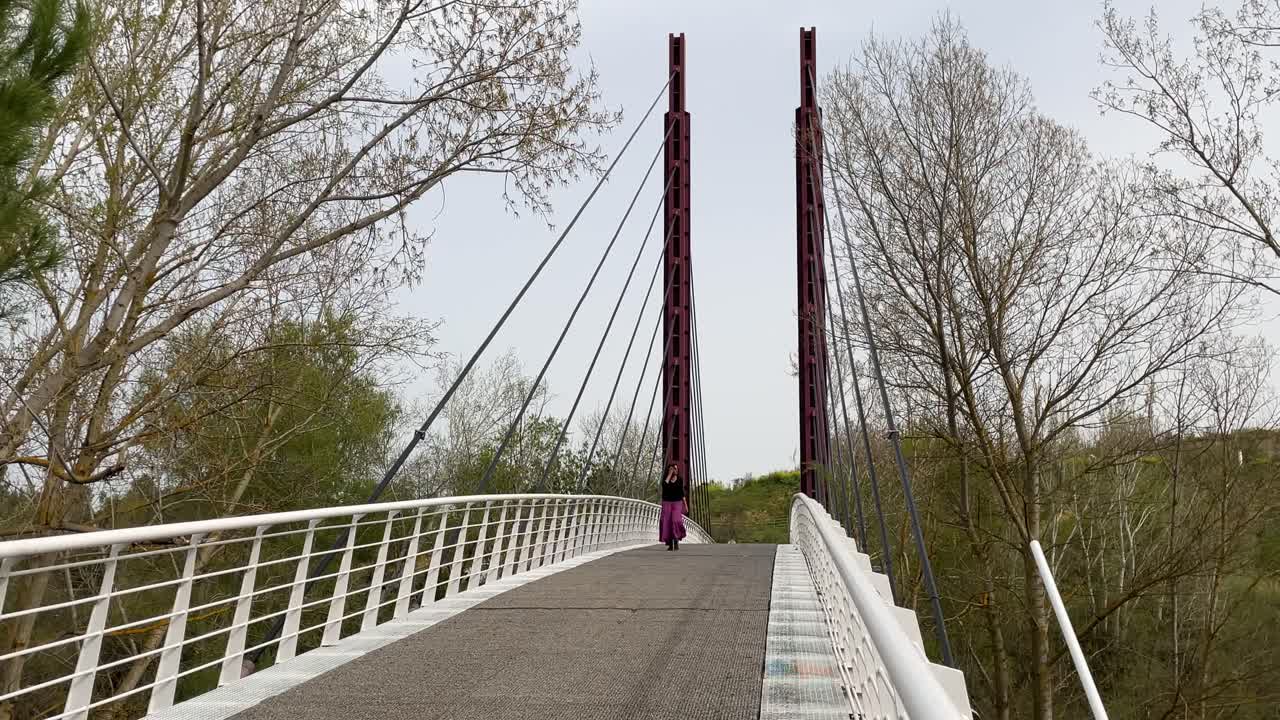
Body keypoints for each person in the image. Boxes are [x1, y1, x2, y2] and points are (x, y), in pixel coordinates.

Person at [659, 462, 688, 551]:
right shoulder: (666, 479)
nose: (675, 470)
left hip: (677, 502)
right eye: (673, 468)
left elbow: (681, 493)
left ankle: (676, 541)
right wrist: (669, 474)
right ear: (669, 470)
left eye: (676, 469)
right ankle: (670, 544)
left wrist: (685, 505)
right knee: (666, 521)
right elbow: (664, 485)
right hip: (667, 502)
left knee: (675, 520)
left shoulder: (680, 479)